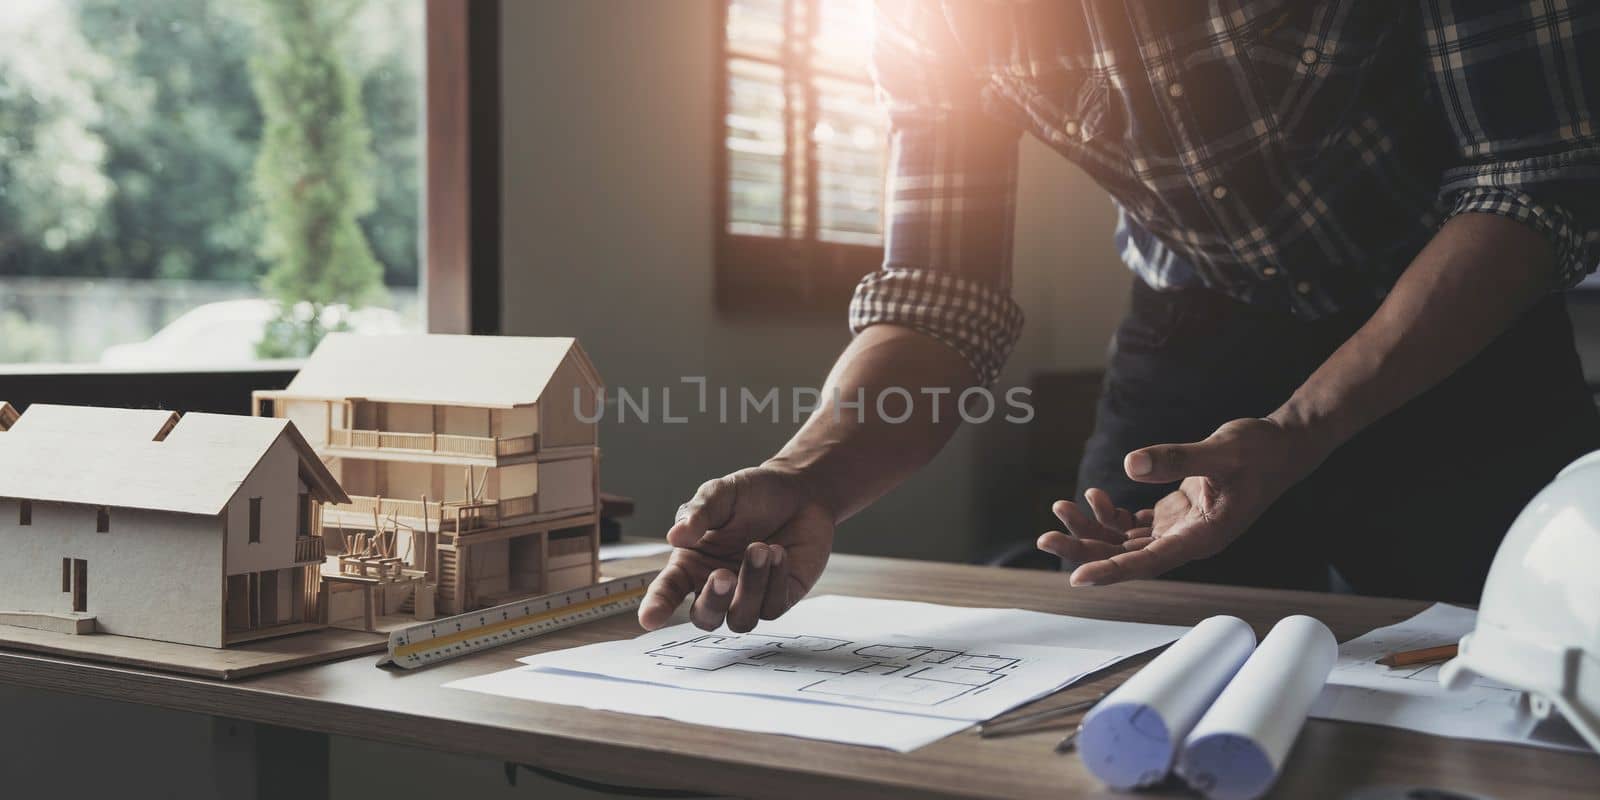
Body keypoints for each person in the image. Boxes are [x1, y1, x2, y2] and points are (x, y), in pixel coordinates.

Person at [639, 1, 1600, 633]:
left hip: (1456, 322)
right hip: (1192, 327)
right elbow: (938, 294)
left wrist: (1302, 427)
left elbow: (1534, 177)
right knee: (1105, 640)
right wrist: (813, 475)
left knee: (1517, 652)